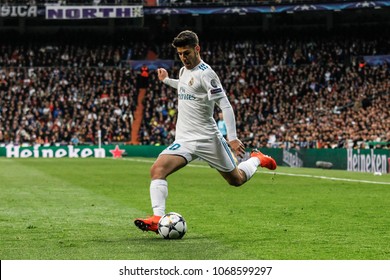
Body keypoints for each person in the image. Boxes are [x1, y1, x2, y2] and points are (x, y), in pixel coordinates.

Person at [134, 30, 277, 233]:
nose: (184, 58)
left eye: (187, 53)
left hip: (208, 139)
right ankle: (157, 218)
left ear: (197, 49)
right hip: (185, 139)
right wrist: (167, 80)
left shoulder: (207, 73)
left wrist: (233, 138)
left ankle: (257, 159)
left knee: (236, 180)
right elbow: (186, 88)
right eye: (180, 54)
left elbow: (225, 105)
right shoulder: (184, 71)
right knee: (157, 170)